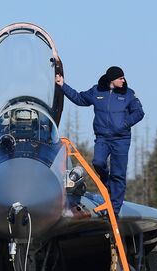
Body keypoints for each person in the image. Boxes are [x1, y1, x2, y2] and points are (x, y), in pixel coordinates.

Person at [55, 66, 144, 215]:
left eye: (123, 78)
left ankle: (114, 210)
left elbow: (139, 112)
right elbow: (79, 98)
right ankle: (108, 185)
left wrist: (125, 124)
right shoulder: (97, 92)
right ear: (112, 80)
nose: (124, 80)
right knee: (98, 162)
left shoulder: (128, 94)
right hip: (102, 138)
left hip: (121, 139)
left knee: (118, 174)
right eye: (120, 78)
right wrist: (62, 85)